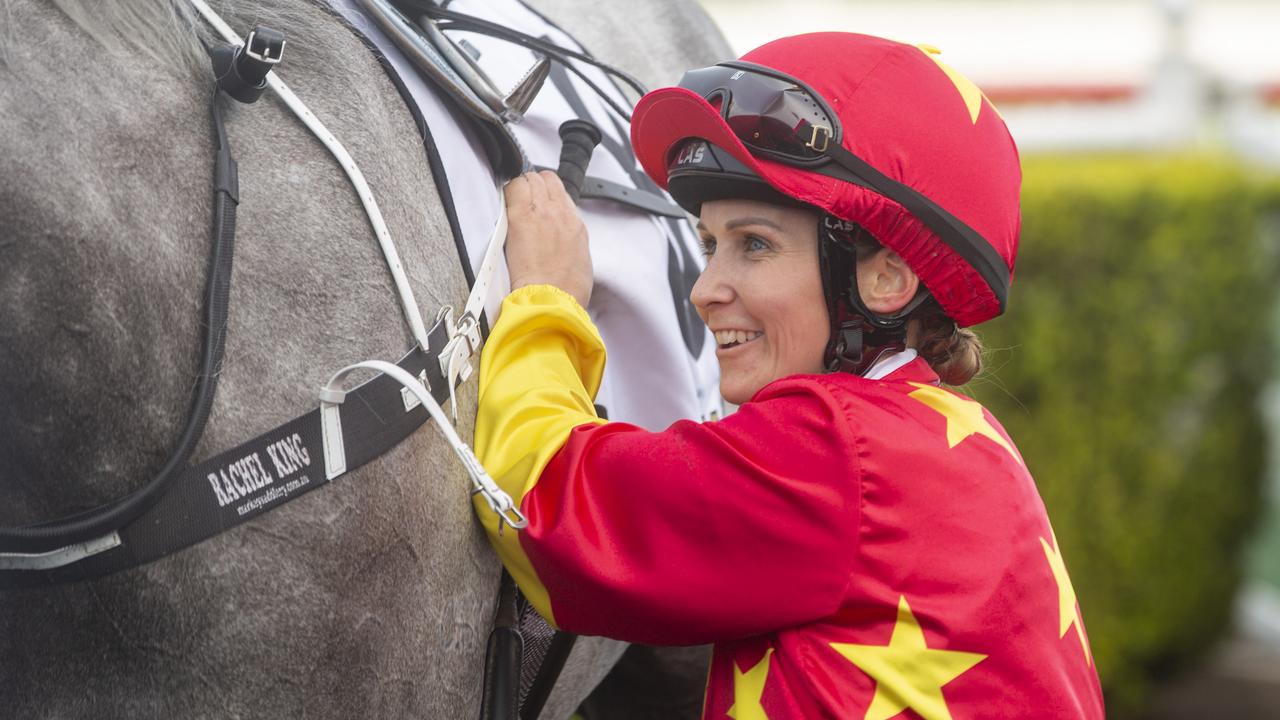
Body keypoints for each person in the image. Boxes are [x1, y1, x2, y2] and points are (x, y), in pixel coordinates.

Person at [472, 32, 1105, 718]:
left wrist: (546, 299)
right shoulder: (959, 431)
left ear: (885, 275)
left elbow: (546, 506)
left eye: (754, 245)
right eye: (709, 245)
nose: (705, 289)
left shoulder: (834, 446)